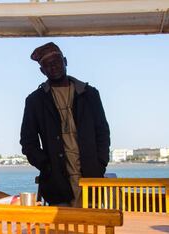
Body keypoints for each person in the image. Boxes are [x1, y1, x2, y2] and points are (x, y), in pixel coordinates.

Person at [20, 42, 110, 207]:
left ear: (65, 61)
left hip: (90, 177)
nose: (53, 67)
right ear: (42, 71)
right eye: (47, 65)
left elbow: (102, 133)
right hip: (57, 182)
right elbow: (28, 142)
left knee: (92, 227)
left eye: (57, 61)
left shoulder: (89, 94)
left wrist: (100, 164)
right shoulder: (35, 101)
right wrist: (46, 166)